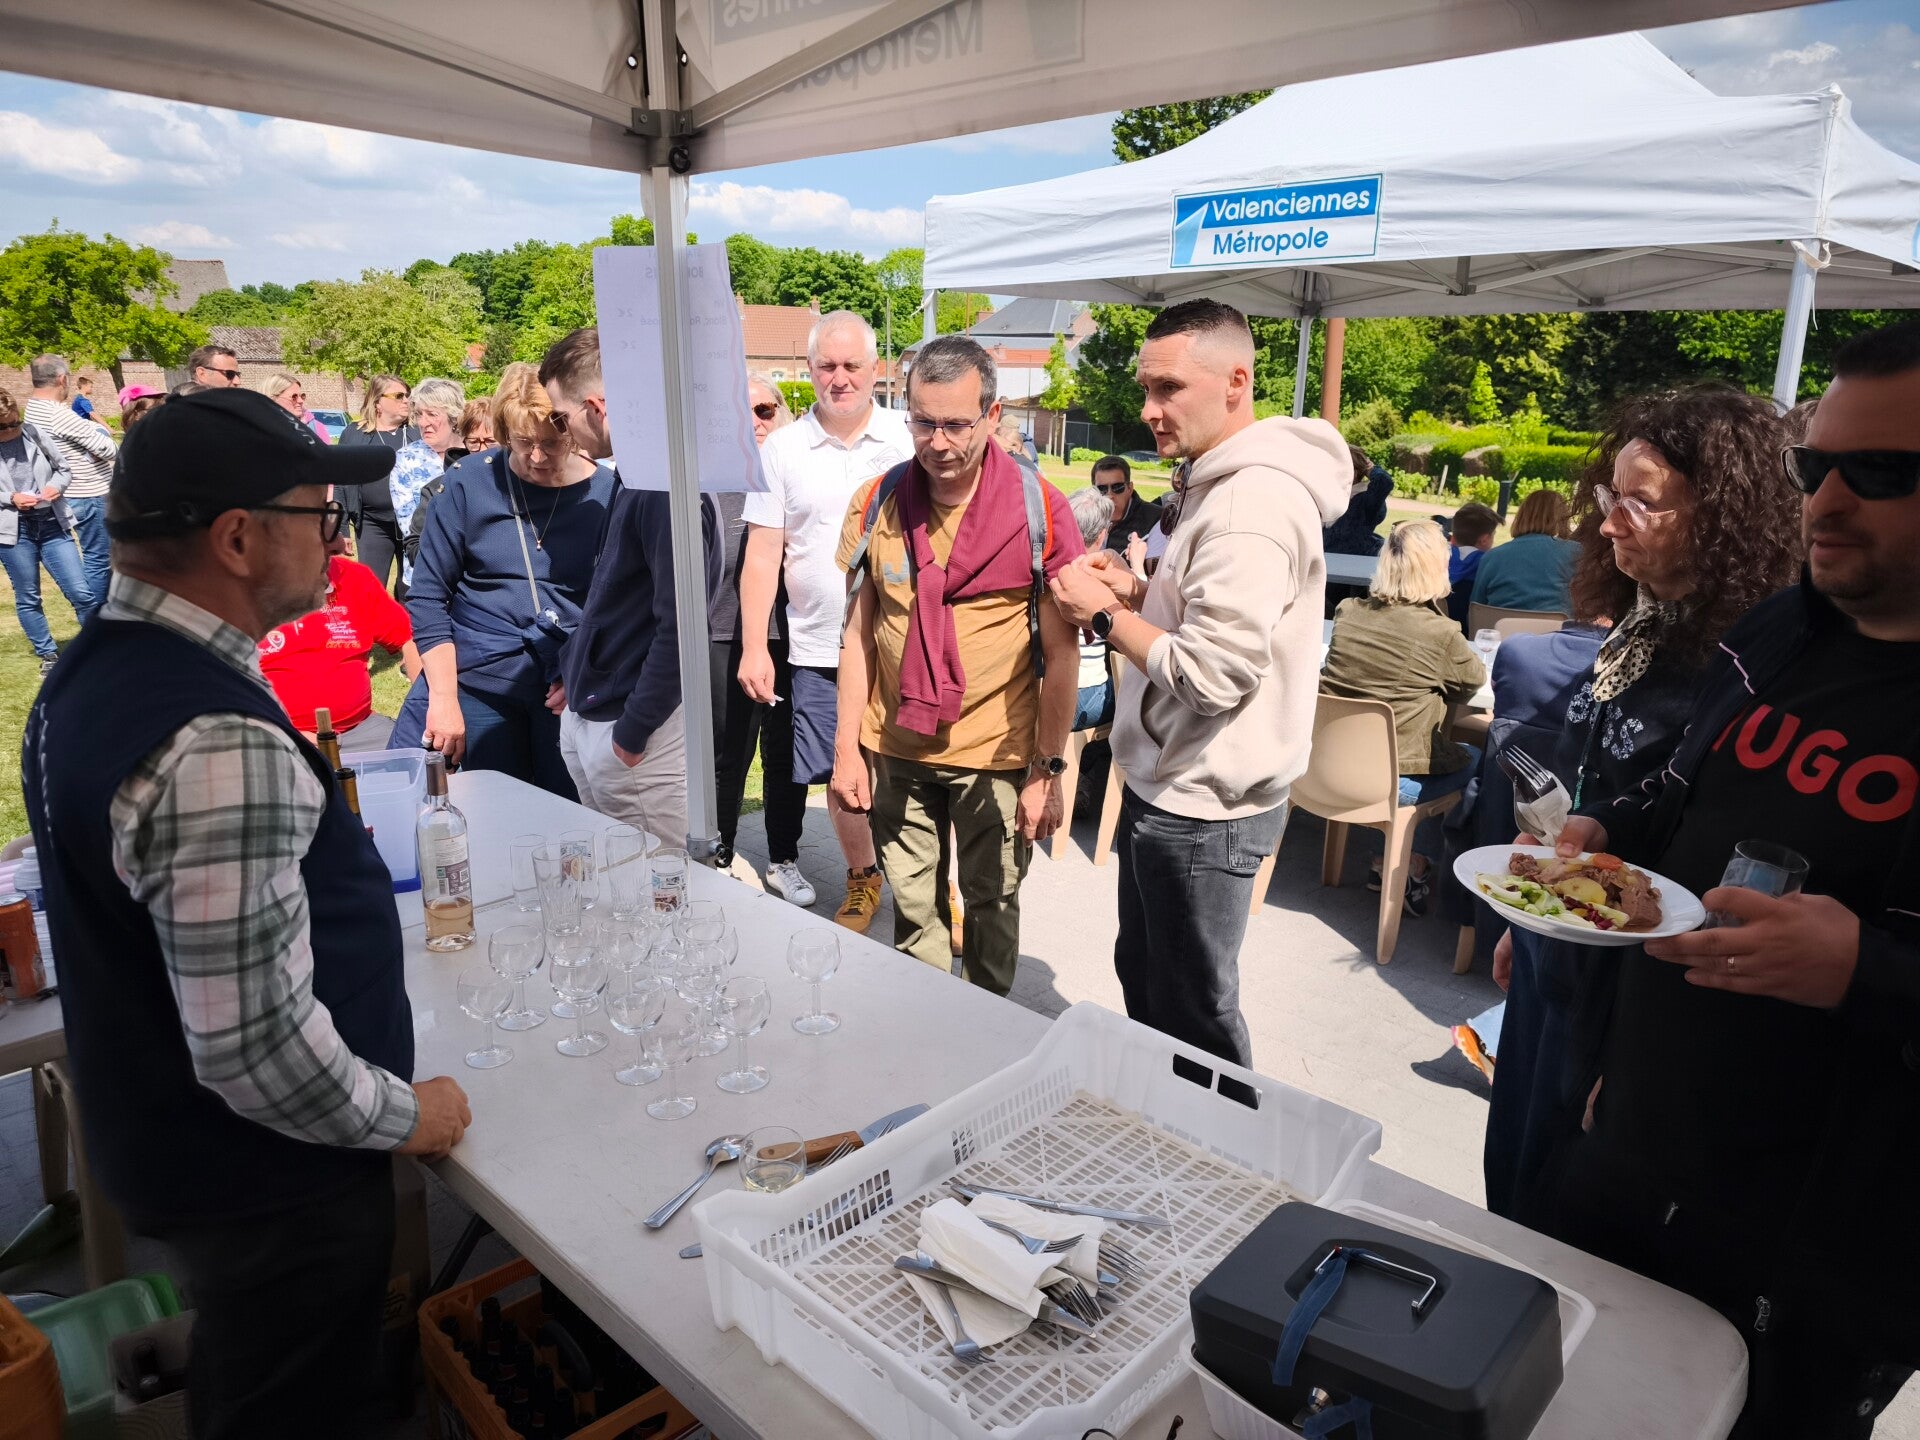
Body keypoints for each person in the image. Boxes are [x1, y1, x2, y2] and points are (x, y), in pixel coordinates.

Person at [20, 387, 470, 1440]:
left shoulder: (96, 669)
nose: (337, 539)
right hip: (272, 1185)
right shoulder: (211, 735)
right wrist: (407, 1118)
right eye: (318, 515)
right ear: (235, 537)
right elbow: (256, 1050)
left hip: (194, 1153)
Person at [1539, 319, 1920, 1438]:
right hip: (1638, 1140)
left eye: (1881, 472)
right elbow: (1690, 802)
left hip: (1824, 1233)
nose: (1827, 502)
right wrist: (1612, 830)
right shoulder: (1783, 629)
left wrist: (1866, 969)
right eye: (1814, 468)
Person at [1481, 384, 1801, 1224]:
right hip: (1566, 942)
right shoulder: (1642, 621)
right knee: (1511, 1180)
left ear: (1720, 515)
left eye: (1641, 502)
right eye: (1608, 496)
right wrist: (1528, 923)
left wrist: (1632, 1057)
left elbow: (1698, 846)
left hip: (1632, 984)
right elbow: (1588, 779)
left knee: (1556, 1204)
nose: (1608, 524)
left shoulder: (1743, 663)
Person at [1048, 299, 1349, 1066]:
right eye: (1147, 388)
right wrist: (1137, 591)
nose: (1150, 409)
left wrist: (1102, 616)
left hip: (1203, 806)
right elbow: (1205, 623)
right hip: (1178, 788)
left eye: (1169, 388)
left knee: (1192, 1025)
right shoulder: (1217, 483)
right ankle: (1166, 1126)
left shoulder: (1249, 504)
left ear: (1237, 381)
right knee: (1155, 988)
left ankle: (1216, 1138)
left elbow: (1213, 675)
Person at [832, 335, 1083, 995]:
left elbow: (1063, 655)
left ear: (993, 417)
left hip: (996, 756)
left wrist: (1047, 771)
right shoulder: (877, 502)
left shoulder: (1040, 510)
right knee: (914, 912)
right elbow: (858, 636)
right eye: (923, 422)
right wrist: (847, 751)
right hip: (897, 748)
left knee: (992, 905)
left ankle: (989, 1031)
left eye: (956, 425)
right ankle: (927, 1025)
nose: (938, 443)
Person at [740, 311, 913, 934]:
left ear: (876, 369)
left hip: (901, 642)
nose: (840, 379)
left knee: (912, 769)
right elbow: (763, 554)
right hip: (816, 644)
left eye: (852, 366)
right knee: (842, 771)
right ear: (809, 370)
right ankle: (864, 876)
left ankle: (928, 882)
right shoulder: (782, 449)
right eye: (827, 366)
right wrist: (755, 646)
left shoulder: (906, 439)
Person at [395, 365, 614, 798]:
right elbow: (428, 597)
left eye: (551, 442)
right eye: (523, 442)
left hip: (568, 690)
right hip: (481, 685)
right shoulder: (467, 483)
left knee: (568, 819)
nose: (537, 457)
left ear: (572, 430)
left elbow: (620, 605)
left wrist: (585, 671)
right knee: (491, 810)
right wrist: (443, 698)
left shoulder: (607, 493)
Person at [540, 328, 719, 845]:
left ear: (596, 406)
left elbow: (682, 627)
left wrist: (634, 730)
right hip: (604, 716)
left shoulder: (664, 487)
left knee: (660, 881)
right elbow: (615, 596)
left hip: (634, 730)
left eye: (561, 417)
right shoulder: (637, 474)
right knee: (622, 873)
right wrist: (575, 668)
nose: (561, 431)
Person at [1321, 520, 1487, 916]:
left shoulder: (1348, 612)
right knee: (1473, 757)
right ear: (1436, 568)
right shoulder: (1440, 633)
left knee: (1426, 748)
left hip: (1321, 769)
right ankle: (1414, 864)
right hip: (1390, 781)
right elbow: (1472, 682)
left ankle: (1398, 861)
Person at [710, 376, 812, 900]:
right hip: (726, 633)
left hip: (795, 637)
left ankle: (783, 859)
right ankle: (719, 854)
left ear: (783, 412)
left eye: (764, 410)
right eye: (741, 412)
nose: (754, 422)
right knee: (728, 755)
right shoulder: (712, 481)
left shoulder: (799, 473)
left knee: (787, 755)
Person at [259, 508, 422, 751]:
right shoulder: (241, 594)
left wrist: (426, 704)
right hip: (273, 736)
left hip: (361, 730)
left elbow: (409, 638)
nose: (339, 545)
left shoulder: (353, 578)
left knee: (428, 762)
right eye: (323, 538)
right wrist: (283, 733)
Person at [1, 388, 97, 675]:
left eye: (14, 422)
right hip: (14, 531)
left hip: (51, 522)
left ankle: (98, 648)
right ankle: (48, 653)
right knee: (28, 596)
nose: (11, 430)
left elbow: (63, 469)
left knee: (81, 592)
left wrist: (56, 487)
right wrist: (10, 498)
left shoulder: (34, 433)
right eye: (3, 427)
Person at [25, 354, 115, 610]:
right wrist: (99, 434)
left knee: (93, 557)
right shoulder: (59, 415)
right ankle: (99, 617)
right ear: (62, 379)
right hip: (89, 493)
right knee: (99, 560)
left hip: (67, 493)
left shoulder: (31, 410)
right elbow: (109, 449)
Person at [338, 375, 420, 593]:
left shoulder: (417, 432)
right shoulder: (355, 434)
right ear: (377, 402)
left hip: (414, 525)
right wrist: (342, 528)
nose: (406, 400)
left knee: (410, 589)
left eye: (407, 395)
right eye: (399, 396)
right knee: (370, 589)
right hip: (373, 524)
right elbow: (340, 481)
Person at [388, 377, 468, 592]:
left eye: (432, 414)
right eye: (419, 414)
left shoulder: (475, 451)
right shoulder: (405, 459)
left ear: (453, 416)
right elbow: (409, 525)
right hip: (423, 574)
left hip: (472, 577)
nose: (423, 423)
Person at [1469, 490, 1577, 613]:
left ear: (1521, 516)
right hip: (1557, 625)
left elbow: (1476, 609)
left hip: (1502, 624)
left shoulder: (1491, 557)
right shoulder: (1576, 553)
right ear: (1562, 518)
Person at [1066, 486, 1116, 731]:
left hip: (1040, 692)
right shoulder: (1103, 577)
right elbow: (1141, 621)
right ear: (1101, 535)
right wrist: (1138, 568)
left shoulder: (1042, 567)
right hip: (1085, 697)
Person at [1323, 445, 1392, 557]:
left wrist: (1370, 468)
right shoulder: (1330, 494)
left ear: (1354, 472)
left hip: (1353, 563)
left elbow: (1384, 482)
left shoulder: (1364, 499)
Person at [1091, 455, 1162, 557]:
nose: (1110, 495)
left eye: (1117, 487)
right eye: (1102, 489)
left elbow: (1155, 566)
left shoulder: (1155, 520)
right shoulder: (1086, 516)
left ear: (1130, 488)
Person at [1446, 500, 1499, 628]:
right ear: (1484, 540)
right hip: (1472, 629)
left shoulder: (1441, 558)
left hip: (1441, 623)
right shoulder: (1488, 563)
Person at [261, 373, 331, 443]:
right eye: (294, 397)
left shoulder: (317, 429)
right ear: (273, 398)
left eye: (302, 396)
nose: (301, 401)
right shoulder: (257, 431)